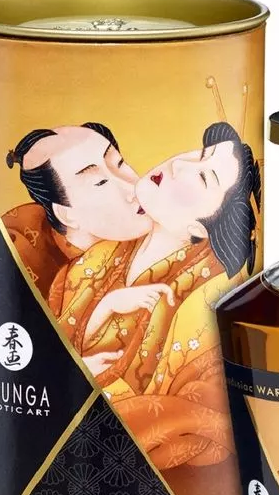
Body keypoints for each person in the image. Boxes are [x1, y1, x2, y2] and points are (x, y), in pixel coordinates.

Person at [53, 121, 260, 398]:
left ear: (201, 228)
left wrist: (79, 378)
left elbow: (178, 405)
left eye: (203, 177)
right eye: (200, 153)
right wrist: (107, 306)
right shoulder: (101, 254)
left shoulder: (203, 301)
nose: (179, 164)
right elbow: (47, 346)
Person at [2, 122, 150, 300]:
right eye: (100, 182)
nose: (132, 188)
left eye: (119, 164)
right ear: (66, 214)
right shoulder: (25, 259)